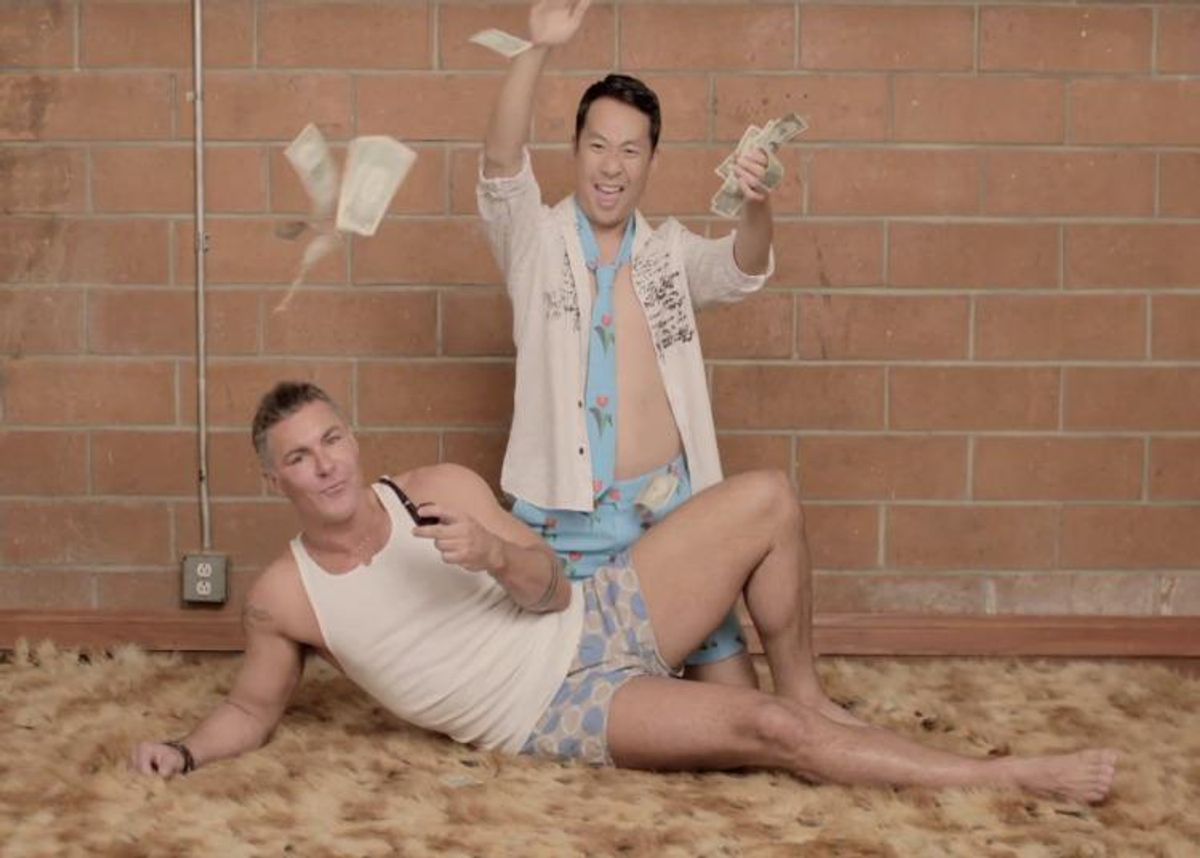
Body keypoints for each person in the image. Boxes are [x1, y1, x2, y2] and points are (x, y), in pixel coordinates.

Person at [131, 382, 1117, 804]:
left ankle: (809, 689)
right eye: (300, 458)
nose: (327, 465)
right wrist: (183, 750)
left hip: (596, 610)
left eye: (333, 439)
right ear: (275, 479)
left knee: (768, 498)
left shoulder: (437, 491)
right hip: (552, 708)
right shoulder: (287, 596)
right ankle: (1006, 780)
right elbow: (250, 710)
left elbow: (553, 589)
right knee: (769, 735)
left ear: (353, 437)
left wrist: (491, 552)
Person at [477, 0, 779, 690]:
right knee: (578, 699)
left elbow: (741, 267)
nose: (611, 167)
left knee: (737, 705)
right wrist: (537, 47)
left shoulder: (669, 254)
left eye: (630, 150)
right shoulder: (536, 242)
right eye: (598, 146)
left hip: (667, 519)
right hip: (565, 526)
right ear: (576, 150)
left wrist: (758, 204)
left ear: (650, 161)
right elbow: (499, 163)